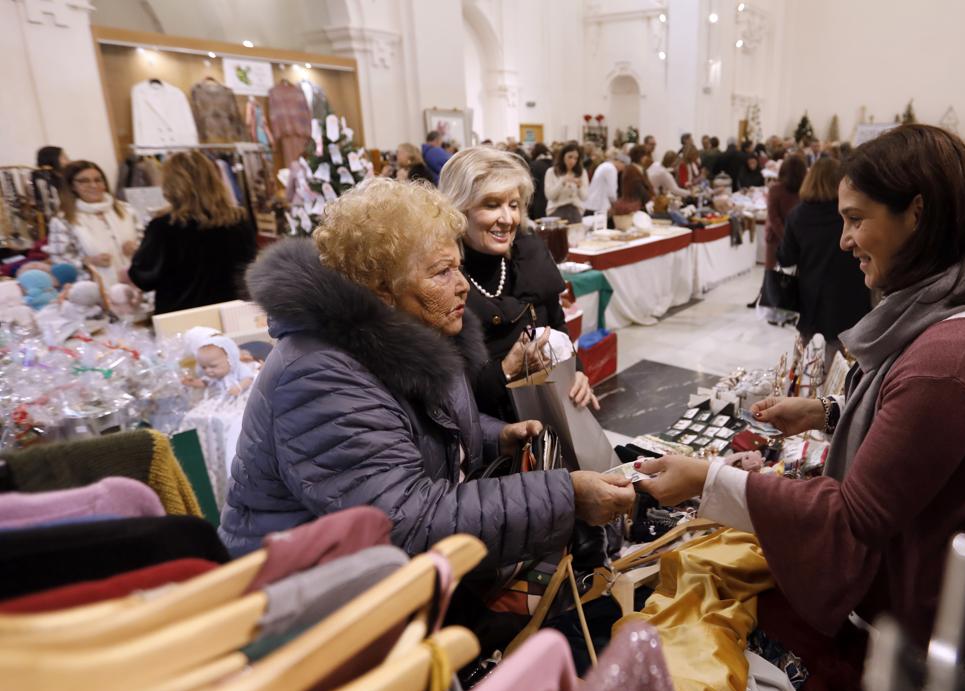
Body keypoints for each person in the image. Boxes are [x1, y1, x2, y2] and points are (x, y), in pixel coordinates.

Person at [635, 124, 965, 691]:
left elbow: (854, 518)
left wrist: (709, 480)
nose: (843, 240)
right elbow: (927, 430)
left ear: (916, 214)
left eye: (856, 218)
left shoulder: (950, 359)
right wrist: (827, 413)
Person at [218, 178, 634, 567]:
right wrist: (565, 497)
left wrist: (496, 438)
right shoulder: (319, 375)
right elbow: (404, 523)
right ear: (381, 286)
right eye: (441, 272)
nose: (463, 285)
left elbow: (425, 433)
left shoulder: (422, 328)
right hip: (307, 593)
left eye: (458, 266)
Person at [440, 147, 601, 420]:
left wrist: (577, 372)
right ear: (458, 209)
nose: (508, 218)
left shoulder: (529, 255)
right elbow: (449, 392)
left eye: (513, 205)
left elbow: (557, 327)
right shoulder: (443, 280)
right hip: (490, 435)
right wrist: (505, 370)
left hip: (550, 415)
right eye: (492, 205)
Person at [128, 151, 257, 314]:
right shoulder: (238, 220)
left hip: (181, 316)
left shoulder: (163, 226)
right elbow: (249, 268)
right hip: (231, 311)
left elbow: (144, 278)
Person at [778, 156, 871, 343]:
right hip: (851, 293)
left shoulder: (797, 215)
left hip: (812, 295)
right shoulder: (852, 215)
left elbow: (786, 258)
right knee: (849, 359)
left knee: (810, 360)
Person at [46, 160, 142, 288]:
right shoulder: (63, 220)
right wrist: (87, 262)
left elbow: (147, 241)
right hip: (96, 290)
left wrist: (137, 247)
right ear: (72, 186)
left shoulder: (126, 209)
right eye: (84, 181)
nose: (93, 185)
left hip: (139, 283)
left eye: (98, 180)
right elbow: (59, 261)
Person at [750, 154, 807, 309]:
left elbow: (773, 218)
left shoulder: (776, 189)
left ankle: (769, 300)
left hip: (776, 236)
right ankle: (778, 299)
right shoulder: (804, 190)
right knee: (794, 272)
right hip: (797, 237)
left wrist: (784, 236)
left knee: (771, 271)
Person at [544, 143, 589, 223]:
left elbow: (584, 197)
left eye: (576, 158)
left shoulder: (582, 172)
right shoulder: (551, 172)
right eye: (570, 157)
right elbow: (550, 196)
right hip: (556, 211)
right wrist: (562, 182)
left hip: (575, 212)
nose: (572, 161)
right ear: (563, 156)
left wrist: (579, 186)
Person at [585, 149, 627, 218]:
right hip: (599, 207)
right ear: (620, 162)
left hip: (592, 204)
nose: (622, 170)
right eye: (623, 166)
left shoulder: (604, 165)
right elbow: (612, 192)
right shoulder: (611, 169)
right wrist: (616, 206)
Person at [615, 145, 654, 215]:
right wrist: (650, 201)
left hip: (642, 205)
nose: (646, 158)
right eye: (645, 156)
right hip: (634, 207)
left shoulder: (641, 169)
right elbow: (640, 189)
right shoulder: (631, 170)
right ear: (640, 157)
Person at [527, 143, 554, 220]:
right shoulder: (555, 164)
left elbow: (532, 188)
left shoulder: (534, 165)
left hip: (539, 205)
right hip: (553, 206)